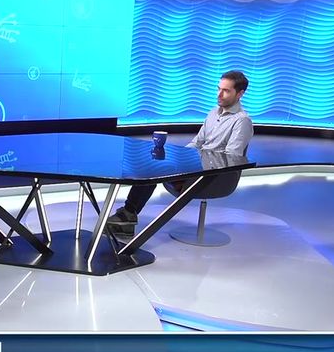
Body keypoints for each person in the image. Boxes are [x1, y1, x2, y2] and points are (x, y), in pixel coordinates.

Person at [108, 70, 254, 235]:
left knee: (156, 169)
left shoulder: (242, 121)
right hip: (197, 165)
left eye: (226, 91)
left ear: (240, 94)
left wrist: (192, 163)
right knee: (153, 163)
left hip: (214, 175)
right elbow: (197, 142)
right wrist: (180, 156)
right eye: (218, 89)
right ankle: (128, 214)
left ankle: (128, 216)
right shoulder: (214, 112)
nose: (219, 94)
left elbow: (231, 159)